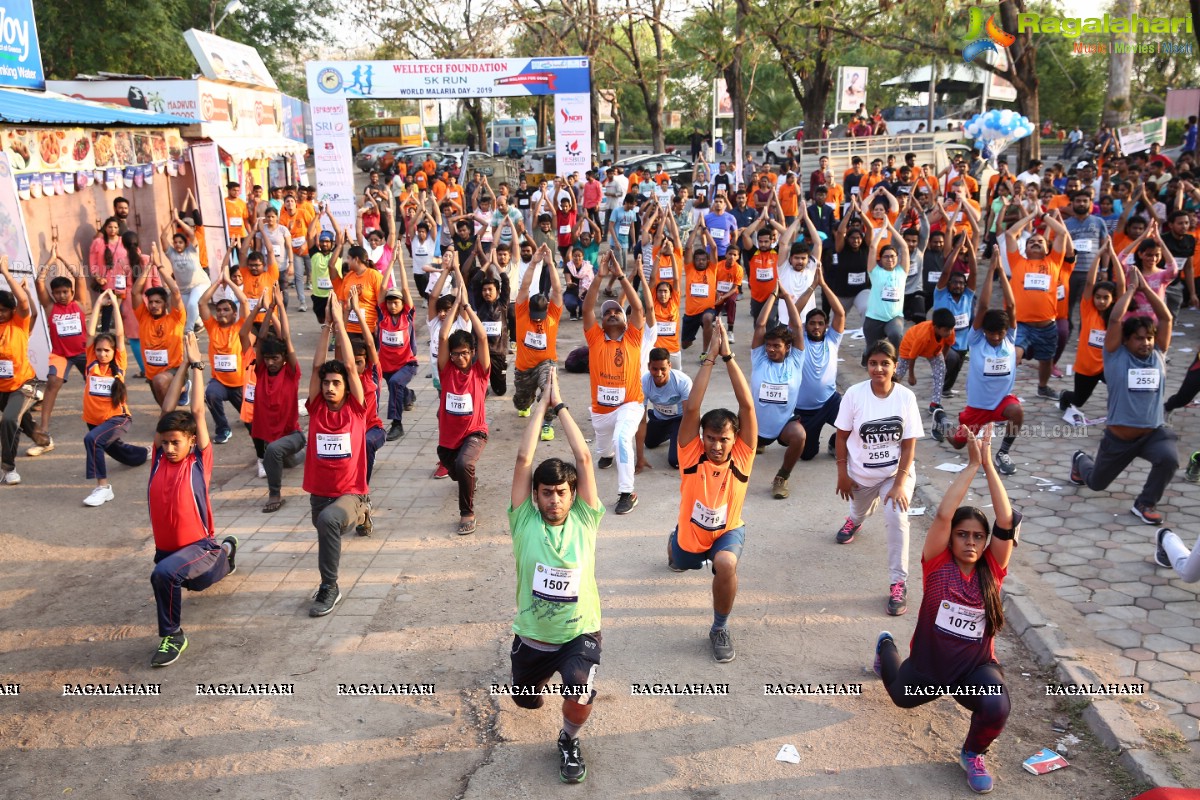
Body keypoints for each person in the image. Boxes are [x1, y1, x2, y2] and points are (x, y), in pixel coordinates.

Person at [873, 425, 1017, 795]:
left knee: (997, 706)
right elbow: (942, 515)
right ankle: (884, 647)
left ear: (985, 543)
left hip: (973, 670)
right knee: (902, 698)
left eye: (977, 536)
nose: (970, 541)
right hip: (929, 667)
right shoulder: (936, 563)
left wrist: (988, 465)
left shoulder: (993, 570)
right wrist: (970, 466)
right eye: (962, 534)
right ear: (951, 538)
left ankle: (972, 753)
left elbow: (1005, 521)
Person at [507, 366, 602, 784]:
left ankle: (569, 740)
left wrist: (559, 402)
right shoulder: (523, 522)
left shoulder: (585, 519)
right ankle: (537, 683)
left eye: (562, 492)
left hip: (581, 633)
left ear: (572, 493)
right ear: (535, 495)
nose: (555, 499)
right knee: (527, 701)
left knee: (580, 693)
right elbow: (524, 459)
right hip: (533, 635)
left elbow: (583, 457)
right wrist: (539, 404)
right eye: (547, 492)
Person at [668, 319, 756, 662]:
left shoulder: (742, 457)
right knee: (679, 559)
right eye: (711, 438)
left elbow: (747, 408)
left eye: (724, 439)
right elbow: (692, 408)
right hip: (689, 539)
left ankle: (719, 628)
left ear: (735, 441)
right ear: (702, 437)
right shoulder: (690, 454)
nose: (717, 446)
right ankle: (672, 544)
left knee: (725, 564)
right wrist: (709, 359)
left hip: (726, 533)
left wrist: (730, 357)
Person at [147, 332, 237, 666]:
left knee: (164, 576)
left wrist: (198, 365)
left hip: (198, 547)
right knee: (193, 582)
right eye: (165, 442)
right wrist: (182, 364)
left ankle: (173, 637)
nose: (169, 448)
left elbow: (197, 410)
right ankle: (227, 553)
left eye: (176, 443)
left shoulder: (198, 463)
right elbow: (167, 409)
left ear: (190, 443)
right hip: (169, 551)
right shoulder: (157, 460)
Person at [1070, 269, 1177, 525]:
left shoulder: (1158, 355)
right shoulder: (1116, 356)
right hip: (1119, 439)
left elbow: (1166, 318)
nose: (1146, 343)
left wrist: (1146, 290)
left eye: (1149, 338)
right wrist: (1130, 290)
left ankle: (1145, 503)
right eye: (1139, 339)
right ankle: (1080, 460)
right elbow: (1116, 320)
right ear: (1126, 341)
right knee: (1096, 483)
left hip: (1152, 434)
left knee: (1169, 459)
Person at [835, 340, 924, 616]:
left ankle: (898, 583)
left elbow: (909, 444)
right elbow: (841, 435)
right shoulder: (854, 394)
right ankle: (856, 520)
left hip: (894, 475)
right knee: (859, 510)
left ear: (895, 366)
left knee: (896, 515)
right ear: (867, 365)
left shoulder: (905, 397)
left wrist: (899, 483)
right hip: (860, 474)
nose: (878, 368)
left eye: (885, 363)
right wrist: (842, 474)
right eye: (873, 363)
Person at [304, 297, 370, 617]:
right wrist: (327, 325)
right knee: (325, 525)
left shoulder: (356, 409)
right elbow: (317, 366)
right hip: (320, 491)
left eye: (336, 383)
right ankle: (363, 515)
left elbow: (349, 370)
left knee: (330, 521)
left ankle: (330, 586)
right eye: (326, 384)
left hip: (349, 491)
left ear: (345, 388)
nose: (329, 387)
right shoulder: (316, 408)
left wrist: (341, 326)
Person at [934, 255, 1026, 476]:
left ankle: (1003, 453)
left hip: (1001, 402)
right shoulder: (976, 340)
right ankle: (941, 421)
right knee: (957, 443)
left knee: (1018, 411)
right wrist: (991, 268)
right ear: (984, 330)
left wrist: (1002, 271)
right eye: (991, 333)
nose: (995, 337)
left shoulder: (1009, 338)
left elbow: (1011, 305)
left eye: (999, 333)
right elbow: (983, 305)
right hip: (977, 407)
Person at [583, 252, 646, 515]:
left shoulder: (633, 337)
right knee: (605, 448)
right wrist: (599, 277)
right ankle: (606, 454)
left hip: (630, 405)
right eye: (606, 311)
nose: (610, 313)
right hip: (601, 412)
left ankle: (626, 493)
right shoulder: (595, 338)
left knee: (623, 439)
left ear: (624, 319)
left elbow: (639, 308)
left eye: (616, 311)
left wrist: (621, 275)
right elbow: (587, 308)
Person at [80, 291, 148, 506]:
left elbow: (119, 335)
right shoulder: (91, 363)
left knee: (92, 441)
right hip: (93, 419)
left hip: (117, 418)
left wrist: (116, 305)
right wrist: (98, 303)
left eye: (106, 351)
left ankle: (103, 488)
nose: (102, 354)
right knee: (116, 449)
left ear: (113, 352)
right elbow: (91, 332)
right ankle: (144, 453)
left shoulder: (118, 364)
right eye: (99, 350)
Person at [437, 271, 491, 534]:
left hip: (475, 432)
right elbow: (443, 339)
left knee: (464, 464)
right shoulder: (446, 371)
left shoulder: (479, 372)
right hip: (448, 440)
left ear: (471, 354)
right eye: (456, 354)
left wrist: (467, 306)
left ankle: (467, 513)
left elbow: (482, 338)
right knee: (456, 468)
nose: (459, 358)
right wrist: (455, 306)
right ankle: (469, 480)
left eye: (464, 354)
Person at [241, 289, 305, 510]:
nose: (270, 363)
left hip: (292, 436)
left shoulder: (291, 373)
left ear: (284, 358)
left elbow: (286, 338)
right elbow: (258, 340)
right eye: (267, 359)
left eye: (275, 358)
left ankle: (275, 495)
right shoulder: (260, 372)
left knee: (274, 452)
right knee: (285, 459)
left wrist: (279, 306)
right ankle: (306, 455)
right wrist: (266, 310)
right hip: (272, 439)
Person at [751, 285, 811, 499]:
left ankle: (782, 477)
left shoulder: (795, 361)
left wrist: (786, 297)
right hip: (756, 424)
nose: (771, 349)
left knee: (800, 436)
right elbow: (760, 324)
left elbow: (796, 326)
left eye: (776, 346)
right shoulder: (759, 359)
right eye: (768, 345)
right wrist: (773, 295)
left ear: (787, 347)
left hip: (783, 424)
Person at [30, 248, 89, 457]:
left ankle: (111, 416)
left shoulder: (80, 303)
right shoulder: (49, 307)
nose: (62, 295)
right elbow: (39, 281)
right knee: (53, 382)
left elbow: (79, 276)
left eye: (66, 292)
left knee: (97, 381)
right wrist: (52, 259)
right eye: (58, 293)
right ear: (53, 294)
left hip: (84, 352)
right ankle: (44, 428)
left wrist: (63, 257)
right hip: (61, 354)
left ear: (72, 292)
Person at [1006, 207, 1069, 401]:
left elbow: (1062, 233)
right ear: (1024, 248)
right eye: (1031, 242)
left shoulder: (1054, 261)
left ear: (1047, 248)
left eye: (1039, 242)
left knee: (1046, 359)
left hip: (1046, 325)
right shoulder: (1017, 261)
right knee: (1014, 355)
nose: (1035, 243)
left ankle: (1043, 387)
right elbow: (1010, 234)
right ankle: (1005, 392)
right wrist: (1030, 216)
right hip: (1021, 324)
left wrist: (1044, 216)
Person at [1060, 240, 1124, 416]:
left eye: (1106, 298)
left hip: (1109, 365)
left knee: (1120, 390)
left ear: (1113, 299)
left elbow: (1121, 285)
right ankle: (1065, 396)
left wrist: (1112, 256)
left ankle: (1118, 415)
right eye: (1098, 297)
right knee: (1078, 400)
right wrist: (1098, 255)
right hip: (1087, 366)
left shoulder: (1116, 312)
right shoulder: (1088, 310)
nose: (1101, 301)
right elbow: (1089, 283)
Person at [793, 269, 845, 461]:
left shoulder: (832, 339)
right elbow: (795, 311)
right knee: (807, 455)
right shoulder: (799, 340)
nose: (816, 327)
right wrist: (812, 287)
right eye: (812, 323)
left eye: (820, 323)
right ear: (805, 326)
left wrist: (823, 285)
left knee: (856, 426)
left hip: (830, 402)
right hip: (805, 410)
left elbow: (840, 312)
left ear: (826, 325)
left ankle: (834, 442)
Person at [132, 246, 187, 407]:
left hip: (175, 371)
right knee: (162, 397)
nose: (154, 305)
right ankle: (179, 394)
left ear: (165, 304)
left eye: (158, 302)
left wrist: (159, 266)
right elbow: (135, 292)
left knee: (162, 387)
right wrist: (149, 266)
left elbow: (175, 291)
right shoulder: (143, 317)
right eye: (151, 302)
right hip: (153, 375)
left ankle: (170, 420)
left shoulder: (176, 318)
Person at [199, 272, 250, 444]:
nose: (221, 313)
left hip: (240, 384)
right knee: (210, 394)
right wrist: (217, 282)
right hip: (219, 381)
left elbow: (243, 301)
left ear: (235, 314)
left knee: (252, 420)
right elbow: (202, 303)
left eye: (226, 310)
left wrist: (228, 281)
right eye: (219, 310)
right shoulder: (212, 327)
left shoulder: (241, 326)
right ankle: (223, 428)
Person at [378, 265, 419, 442]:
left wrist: (400, 261)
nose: (393, 305)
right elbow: (381, 288)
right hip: (386, 365)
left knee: (395, 383)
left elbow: (405, 288)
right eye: (389, 302)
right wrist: (390, 264)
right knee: (396, 386)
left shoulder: (407, 316)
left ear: (403, 304)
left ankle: (397, 425)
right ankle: (408, 395)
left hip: (406, 364)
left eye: (396, 302)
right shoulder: (383, 316)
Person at [635, 347, 693, 472]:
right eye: (654, 369)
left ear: (670, 366)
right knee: (649, 443)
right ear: (648, 366)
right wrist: (639, 458)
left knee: (675, 461)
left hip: (680, 420)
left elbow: (690, 416)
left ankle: (676, 434)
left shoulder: (683, 381)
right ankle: (671, 434)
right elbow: (641, 420)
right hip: (659, 418)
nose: (659, 373)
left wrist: (688, 440)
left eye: (663, 369)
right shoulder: (643, 382)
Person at [895, 308, 957, 414]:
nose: (949, 332)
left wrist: (943, 360)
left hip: (932, 349)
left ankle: (935, 404)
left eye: (951, 329)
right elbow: (912, 356)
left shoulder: (949, 332)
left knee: (941, 371)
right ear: (936, 328)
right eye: (946, 330)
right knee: (898, 374)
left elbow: (947, 345)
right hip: (909, 346)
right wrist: (911, 375)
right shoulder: (923, 337)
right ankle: (888, 394)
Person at [160, 208, 210, 333]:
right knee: (188, 310)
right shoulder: (171, 254)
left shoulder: (192, 251)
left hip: (200, 284)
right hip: (184, 289)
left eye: (180, 242)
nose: (177, 245)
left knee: (193, 305)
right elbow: (163, 237)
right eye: (175, 242)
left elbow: (192, 234)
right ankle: (199, 323)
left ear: (185, 244)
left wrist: (179, 221)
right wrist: (172, 221)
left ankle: (189, 330)